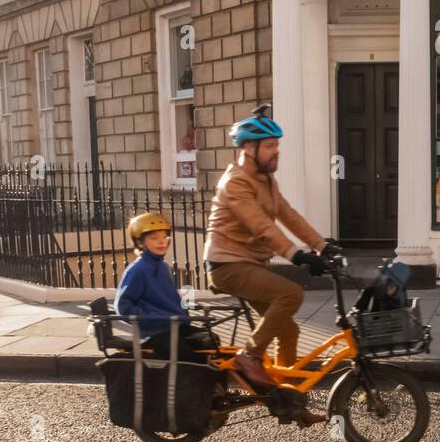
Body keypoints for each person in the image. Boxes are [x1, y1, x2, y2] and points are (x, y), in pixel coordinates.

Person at [203, 107, 329, 425]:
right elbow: (262, 226)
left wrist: (323, 246)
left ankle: (291, 403)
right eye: (270, 146)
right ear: (249, 148)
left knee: (289, 331)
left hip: (250, 264)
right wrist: (296, 255)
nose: (277, 152)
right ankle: (250, 356)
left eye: (277, 145)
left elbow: (287, 215)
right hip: (227, 264)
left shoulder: (266, 180)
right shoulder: (235, 183)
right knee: (291, 294)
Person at [115, 212, 213, 363]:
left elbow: (169, 300)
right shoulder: (138, 269)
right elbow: (123, 306)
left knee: (212, 342)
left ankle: (215, 386)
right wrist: (152, 318)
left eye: (164, 237)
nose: (161, 242)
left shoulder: (163, 267)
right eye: (154, 238)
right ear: (140, 243)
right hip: (154, 332)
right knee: (189, 356)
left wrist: (183, 311)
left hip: (174, 326)